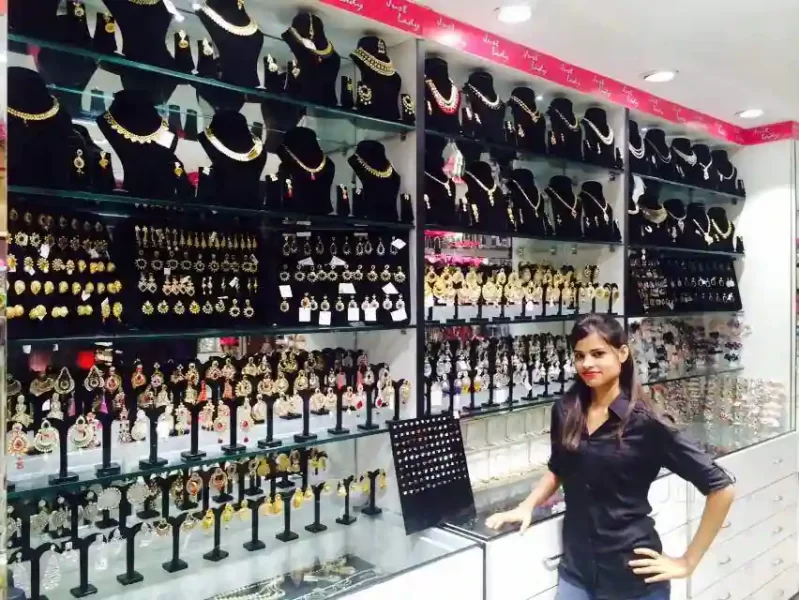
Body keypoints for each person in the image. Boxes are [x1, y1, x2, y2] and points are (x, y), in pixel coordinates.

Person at [486, 314, 734, 600]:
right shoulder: (566, 411)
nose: (587, 364)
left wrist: (687, 562)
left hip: (632, 578)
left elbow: (721, 487)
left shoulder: (646, 423)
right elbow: (559, 468)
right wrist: (526, 506)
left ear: (622, 353)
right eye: (579, 356)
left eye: (598, 354)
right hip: (576, 573)